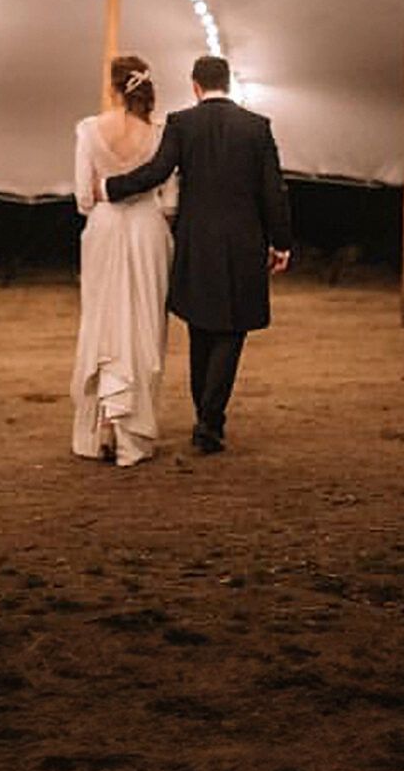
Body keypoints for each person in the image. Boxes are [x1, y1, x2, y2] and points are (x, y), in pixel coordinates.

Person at [104, 53, 290, 455]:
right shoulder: (257, 128)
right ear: (229, 83)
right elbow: (273, 191)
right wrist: (282, 242)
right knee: (231, 331)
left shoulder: (181, 123)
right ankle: (210, 421)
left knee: (201, 329)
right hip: (243, 241)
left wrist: (111, 187)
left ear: (195, 86)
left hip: (197, 240)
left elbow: (157, 171)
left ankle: (204, 417)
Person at [71, 53, 177, 467]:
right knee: (144, 326)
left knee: (102, 321)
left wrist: (103, 195)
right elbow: (170, 201)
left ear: (114, 88)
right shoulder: (160, 134)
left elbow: (83, 196)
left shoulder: (88, 130)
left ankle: (100, 434)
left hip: (103, 228)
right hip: (148, 230)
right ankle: (133, 438)